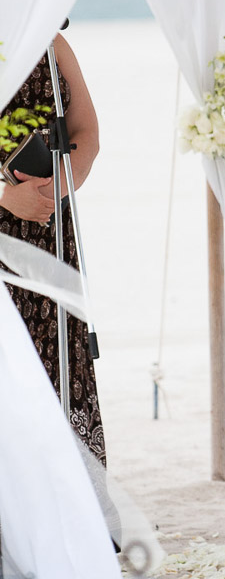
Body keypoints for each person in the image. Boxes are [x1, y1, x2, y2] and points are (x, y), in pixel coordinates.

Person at [0, 33, 106, 463]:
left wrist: (54, 187)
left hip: (50, 231)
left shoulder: (49, 40)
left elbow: (87, 132)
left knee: (56, 362)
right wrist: (5, 198)